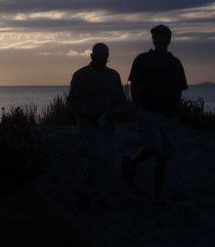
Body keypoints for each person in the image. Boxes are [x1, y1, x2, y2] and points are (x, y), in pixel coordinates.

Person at [123, 24, 187, 205]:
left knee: (163, 155)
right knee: (153, 148)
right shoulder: (143, 59)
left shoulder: (175, 63)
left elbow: (178, 89)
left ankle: (157, 193)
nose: (158, 40)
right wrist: (138, 106)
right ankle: (132, 163)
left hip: (168, 113)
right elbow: (134, 84)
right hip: (148, 110)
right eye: (155, 36)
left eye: (161, 36)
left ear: (168, 39)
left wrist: (176, 108)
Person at [68, 43, 126, 208]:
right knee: (98, 155)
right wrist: (86, 113)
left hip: (107, 125)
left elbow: (121, 100)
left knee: (107, 160)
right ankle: (84, 189)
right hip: (88, 124)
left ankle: (100, 194)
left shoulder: (113, 76)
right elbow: (72, 100)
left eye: (104, 58)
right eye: (99, 58)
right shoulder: (80, 76)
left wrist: (114, 112)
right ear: (92, 57)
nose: (102, 62)